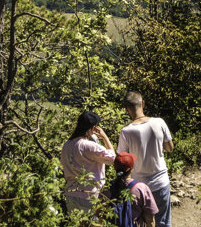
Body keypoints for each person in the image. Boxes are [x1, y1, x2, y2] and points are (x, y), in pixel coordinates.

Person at [117, 92, 174, 227]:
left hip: (139, 187)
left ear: (127, 109)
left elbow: (121, 159)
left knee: (141, 223)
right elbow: (170, 148)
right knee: (163, 223)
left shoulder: (126, 132)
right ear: (142, 103)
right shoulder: (159, 122)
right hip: (160, 182)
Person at [60, 110, 117, 214]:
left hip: (70, 193)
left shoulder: (67, 145)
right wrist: (104, 136)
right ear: (92, 128)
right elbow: (112, 158)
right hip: (89, 194)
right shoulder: (88, 146)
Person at [104, 151, 159, 227]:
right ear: (131, 169)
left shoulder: (107, 187)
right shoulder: (141, 188)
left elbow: (99, 215)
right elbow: (150, 220)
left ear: (115, 168)